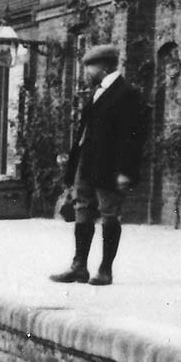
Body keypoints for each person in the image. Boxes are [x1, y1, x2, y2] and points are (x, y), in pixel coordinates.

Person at [50, 45, 144, 286]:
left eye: (89, 67)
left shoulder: (126, 93)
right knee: (82, 209)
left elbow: (132, 137)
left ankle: (105, 269)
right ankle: (79, 266)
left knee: (109, 213)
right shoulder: (96, 93)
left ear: (102, 67)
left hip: (110, 166)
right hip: (87, 162)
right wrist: (74, 166)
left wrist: (125, 171)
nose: (86, 73)